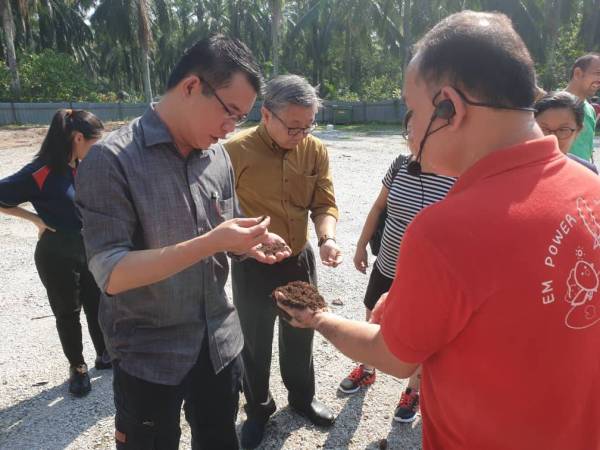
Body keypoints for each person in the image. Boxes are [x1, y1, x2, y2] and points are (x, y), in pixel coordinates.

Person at [275, 11, 600, 450]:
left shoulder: (448, 230)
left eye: (413, 111)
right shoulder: (590, 187)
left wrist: (319, 318)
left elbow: (391, 353)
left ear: (449, 106)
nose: (409, 130)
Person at [75, 36, 290, 450]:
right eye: (229, 112)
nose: (231, 128)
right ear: (192, 86)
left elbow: (225, 226)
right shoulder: (113, 159)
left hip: (218, 343)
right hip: (149, 354)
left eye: (241, 119)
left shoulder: (217, 157)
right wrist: (212, 242)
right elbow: (112, 273)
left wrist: (247, 243)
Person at [224, 74, 342, 449]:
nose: (301, 135)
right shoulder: (233, 152)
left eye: (308, 126)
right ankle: (258, 408)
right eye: (293, 127)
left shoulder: (314, 150)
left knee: (302, 332)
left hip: (298, 260)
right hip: (252, 262)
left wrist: (327, 238)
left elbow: (323, 202)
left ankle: (302, 398)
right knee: (254, 342)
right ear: (266, 115)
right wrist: (249, 238)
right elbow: (219, 211)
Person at [339, 151, 454, 423]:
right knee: (373, 318)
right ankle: (367, 368)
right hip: (387, 264)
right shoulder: (402, 163)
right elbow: (379, 207)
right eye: (409, 132)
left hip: (426, 276)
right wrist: (360, 246)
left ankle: (414, 390)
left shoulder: (459, 172)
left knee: (423, 332)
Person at [0, 109, 109, 397]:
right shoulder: (41, 171)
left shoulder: (81, 165)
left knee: (97, 303)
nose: (97, 148)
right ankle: (78, 367)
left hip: (88, 248)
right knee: (67, 312)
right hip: (56, 253)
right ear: (77, 137)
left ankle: (105, 354)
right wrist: (35, 219)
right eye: (94, 141)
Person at [535, 91, 598, 173]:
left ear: (578, 131)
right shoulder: (517, 169)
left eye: (563, 130)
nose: (552, 138)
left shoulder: (587, 172)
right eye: (544, 129)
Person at [564, 53, 600, 161]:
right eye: (598, 73)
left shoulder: (590, 109)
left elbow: (587, 148)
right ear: (578, 73)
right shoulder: (553, 105)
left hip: (584, 174)